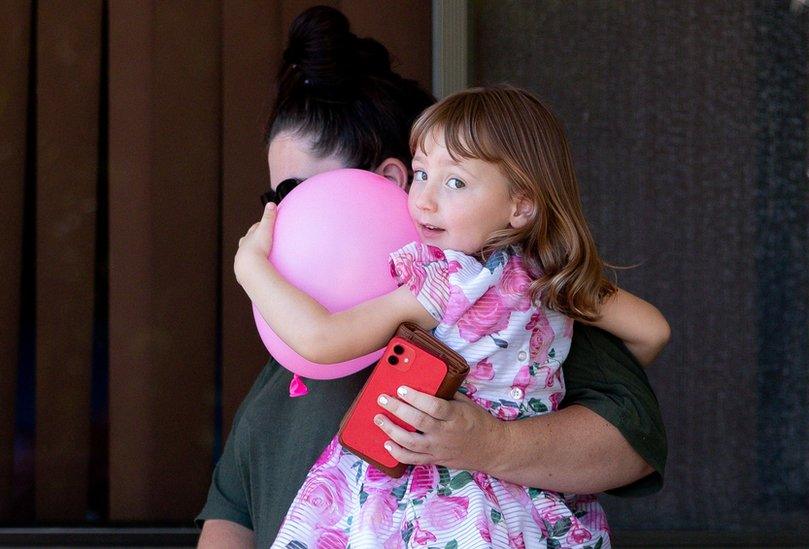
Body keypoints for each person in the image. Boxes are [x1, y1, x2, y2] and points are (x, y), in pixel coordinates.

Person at [197, 7, 668, 548]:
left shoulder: (453, 288)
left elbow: (632, 433)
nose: (279, 217)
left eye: (296, 194)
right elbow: (653, 332)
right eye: (274, 198)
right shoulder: (549, 283)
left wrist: (249, 267)